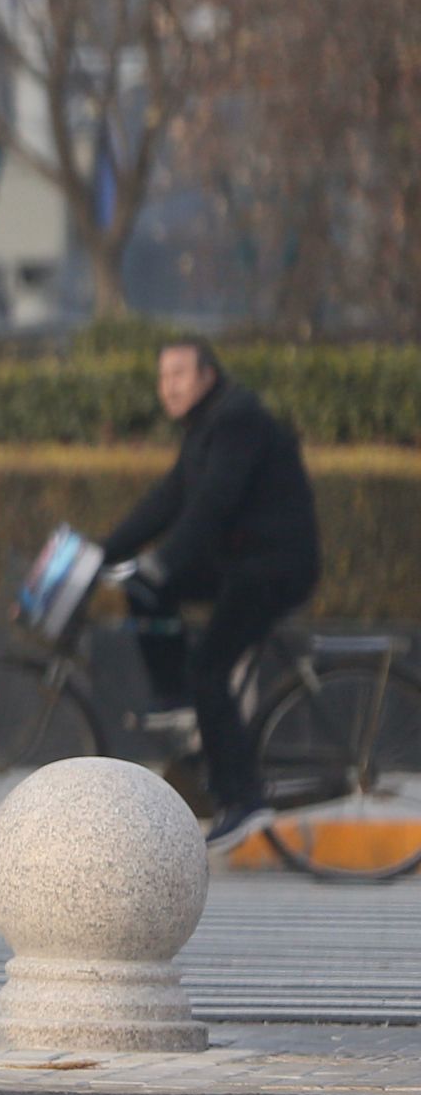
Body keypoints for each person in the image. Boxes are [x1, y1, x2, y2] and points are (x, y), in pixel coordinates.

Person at [99, 338, 320, 850]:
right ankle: (177, 697)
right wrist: (104, 551)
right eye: (162, 377)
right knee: (144, 586)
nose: (168, 387)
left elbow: (212, 505)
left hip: (272, 568)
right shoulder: (205, 427)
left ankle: (243, 800)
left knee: (209, 669)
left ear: (208, 376)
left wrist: (164, 560)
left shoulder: (236, 420)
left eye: (178, 373)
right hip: (242, 565)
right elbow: (168, 499)